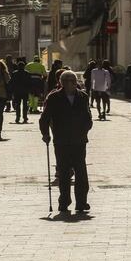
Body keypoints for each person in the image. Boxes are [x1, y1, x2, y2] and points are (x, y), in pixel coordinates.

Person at [40, 70, 93, 212]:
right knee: (64, 172)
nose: (71, 83)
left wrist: (86, 129)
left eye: (73, 81)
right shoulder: (54, 97)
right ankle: (64, 201)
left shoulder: (83, 96)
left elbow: (88, 116)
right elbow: (44, 118)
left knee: (81, 172)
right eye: (67, 81)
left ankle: (81, 202)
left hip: (79, 141)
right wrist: (45, 134)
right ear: (61, 83)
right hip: (61, 141)